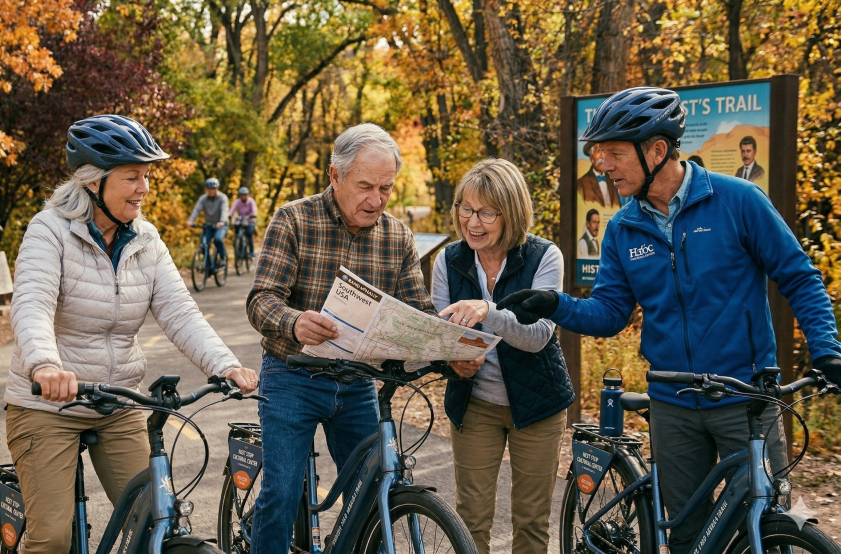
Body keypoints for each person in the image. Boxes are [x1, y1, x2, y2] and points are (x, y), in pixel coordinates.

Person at [496, 87, 841, 554]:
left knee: (767, 524)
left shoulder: (738, 201)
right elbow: (610, 314)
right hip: (673, 403)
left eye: (614, 153)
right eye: (599, 154)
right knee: (687, 536)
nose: (602, 166)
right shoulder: (622, 228)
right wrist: (554, 304)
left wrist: (826, 350)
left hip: (747, 398)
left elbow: (800, 278)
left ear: (657, 150)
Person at [5, 115, 259, 554]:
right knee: (51, 539)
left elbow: (180, 312)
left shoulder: (146, 239)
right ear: (92, 182)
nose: (144, 187)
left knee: (155, 523)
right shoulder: (48, 231)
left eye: (146, 176)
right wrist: (45, 364)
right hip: (48, 405)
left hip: (118, 401)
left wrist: (226, 365)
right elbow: (32, 304)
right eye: (132, 177)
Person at [246, 123, 450, 554]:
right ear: (334, 176)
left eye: (386, 188)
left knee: (371, 492)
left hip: (357, 382)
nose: (376, 200)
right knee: (282, 491)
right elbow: (261, 300)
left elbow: (419, 312)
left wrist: (449, 348)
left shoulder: (397, 236)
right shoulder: (294, 219)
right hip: (291, 377)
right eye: (365, 186)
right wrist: (294, 321)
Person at [431, 159, 573, 554]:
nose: (473, 222)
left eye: (486, 212)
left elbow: (539, 337)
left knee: (530, 522)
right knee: (470, 520)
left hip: (538, 404)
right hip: (475, 404)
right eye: (466, 208)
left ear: (510, 214)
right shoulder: (448, 260)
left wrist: (487, 311)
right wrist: (452, 361)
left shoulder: (545, 256)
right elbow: (441, 333)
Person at [187, 177, 229, 266]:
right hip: (209, 225)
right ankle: (210, 266)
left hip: (220, 225)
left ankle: (223, 257)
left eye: (213, 189)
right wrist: (191, 220)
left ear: (217, 188)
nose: (211, 191)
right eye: (209, 189)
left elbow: (224, 210)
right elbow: (197, 209)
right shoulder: (203, 198)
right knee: (204, 244)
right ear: (207, 189)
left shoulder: (222, 198)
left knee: (217, 240)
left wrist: (221, 221)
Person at [578, 141, 620, 209]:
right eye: (598, 151)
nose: (602, 156)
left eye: (604, 152)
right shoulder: (581, 183)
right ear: (591, 157)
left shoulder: (613, 180)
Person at [230, 186, 257, 258]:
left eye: (245, 195)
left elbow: (254, 210)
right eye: (242, 195)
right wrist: (230, 215)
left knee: (248, 234)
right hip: (241, 220)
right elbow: (232, 209)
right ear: (240, 195)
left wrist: (253, 215)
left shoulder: (251, 201)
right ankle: (239, 250)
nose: (243, 196)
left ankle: (251, 252)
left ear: (247, 195)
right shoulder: (238, 201)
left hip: (250, 220)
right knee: (237, 234)